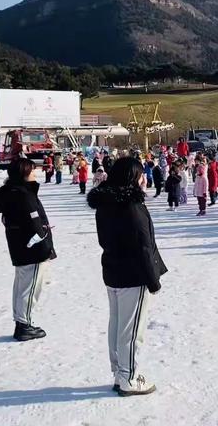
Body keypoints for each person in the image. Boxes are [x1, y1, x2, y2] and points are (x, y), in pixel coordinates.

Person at [87, 157, 167, 396]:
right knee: (131, 330)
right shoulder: (131, 205)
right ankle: (129, 377)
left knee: (118, 324)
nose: (145, 179)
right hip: (133, 273)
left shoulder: (106, 202)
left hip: (113, 269)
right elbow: (143, 245)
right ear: (133, 178)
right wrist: (153, 279)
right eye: (141, 175)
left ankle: (120, 371)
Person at [0, 158, 56, 341]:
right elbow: (34, 223)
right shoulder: (23, 194)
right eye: (33, 171)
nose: (35, 174)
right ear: (25, 173)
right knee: (30, 287)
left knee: (22, 285)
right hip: (32, 249)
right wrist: (46, 245)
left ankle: (21, 321)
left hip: (19, 247)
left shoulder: (10, 193)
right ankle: (24, 325)